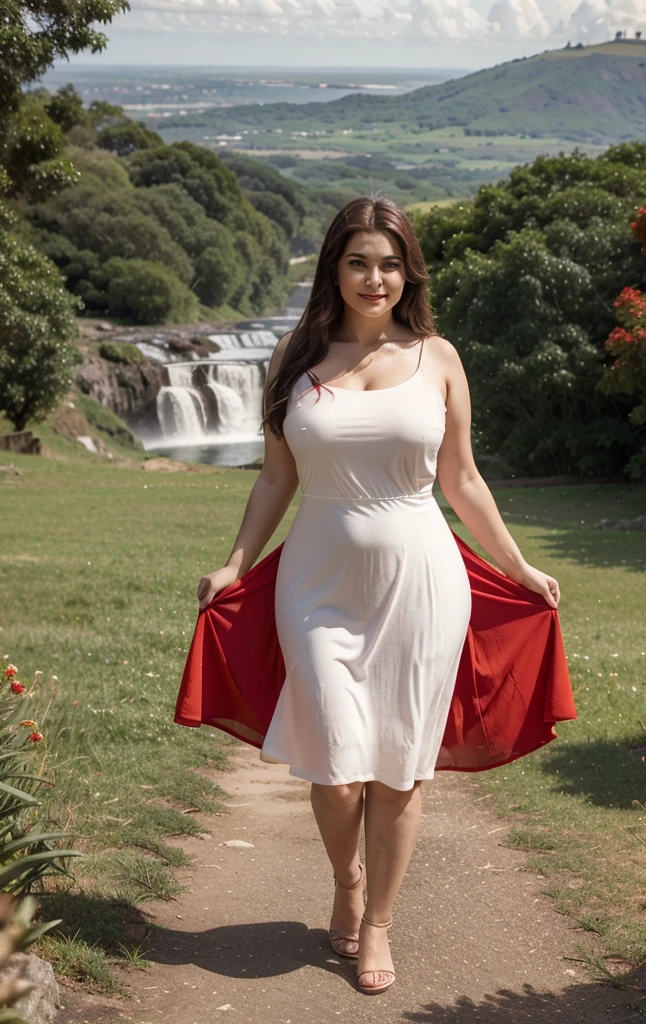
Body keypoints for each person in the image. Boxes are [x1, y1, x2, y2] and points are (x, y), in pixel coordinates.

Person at [194, 196, 562, 995]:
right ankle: (347, 878)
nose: (375, 277)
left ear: (409, 272)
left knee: (397, 767)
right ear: (335, 267)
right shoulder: (296, 355)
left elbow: (461, 481)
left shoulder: (438, 358)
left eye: (390, 263)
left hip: (424, 582)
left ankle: (379, 924)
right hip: (317, 580)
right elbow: (276, 476)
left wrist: (519, 566)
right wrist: (234, 563)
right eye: (359, 261)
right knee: (334, 767)